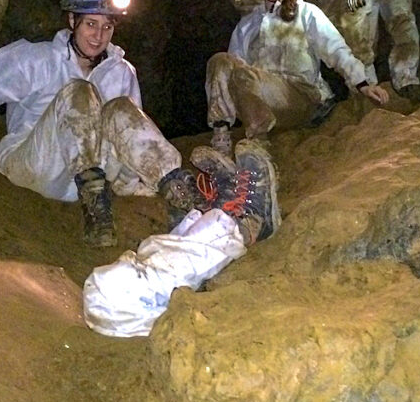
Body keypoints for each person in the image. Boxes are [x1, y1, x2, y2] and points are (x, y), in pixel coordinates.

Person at [0, 0, 203, 246]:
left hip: (100, 175)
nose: (98, 36)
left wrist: (129, 183)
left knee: (121, 108)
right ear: (72, 20)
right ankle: (96, 213)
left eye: (107, 27)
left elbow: (131, 134)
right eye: (90, 24)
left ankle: (180, 195)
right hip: (37, 163)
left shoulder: (121, 71)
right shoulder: (36, 59)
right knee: (79, 91)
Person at [82, 139, 278, 338]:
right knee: (147, 282)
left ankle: (219, 212)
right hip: (124, 311)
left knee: (141, 262)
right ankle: (248, 223)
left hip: (107, 309)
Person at [205, 0, 390, 156]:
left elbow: (335, 49)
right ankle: (221, 135)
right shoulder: (248, 24)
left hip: (300, 97)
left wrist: (362, 82)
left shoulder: (306, 13)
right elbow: (231, 70)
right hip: (261, 98)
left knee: (244, 75)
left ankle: (259, 142)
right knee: (219, 61)